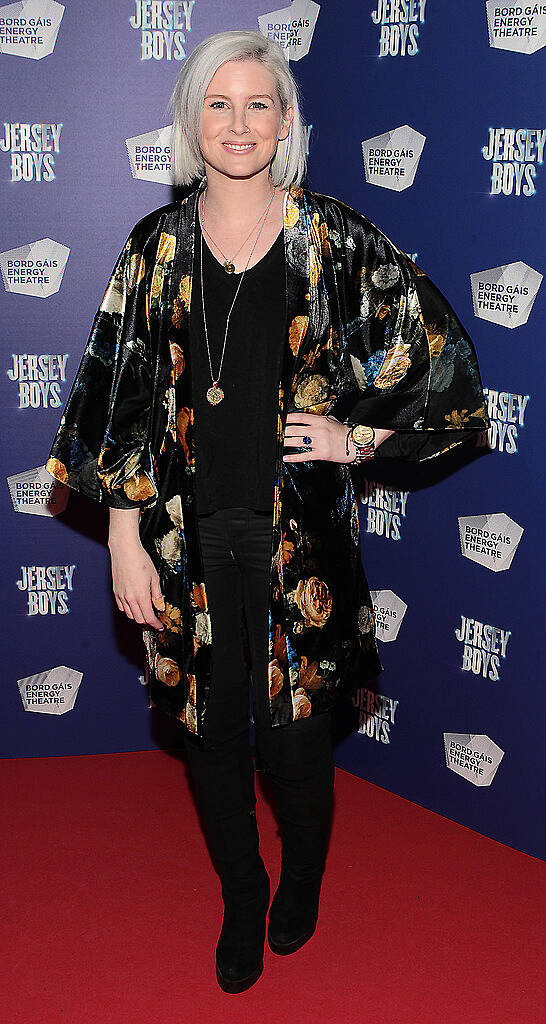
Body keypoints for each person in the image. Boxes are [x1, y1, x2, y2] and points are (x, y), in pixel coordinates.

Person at [45, 29, 489, 994]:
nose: (239, 123)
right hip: (187, 544)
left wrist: (353, 439)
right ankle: (243, 893)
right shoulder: (153, 250)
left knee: (292, 741)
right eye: (219, 103)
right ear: (191, 120)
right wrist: (122, 538)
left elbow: (447, 382)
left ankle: (303, 880)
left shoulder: (332, 239)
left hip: (302, 547)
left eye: (259, 104)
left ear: (286, 122)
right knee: (209, 733)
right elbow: (117, 405)